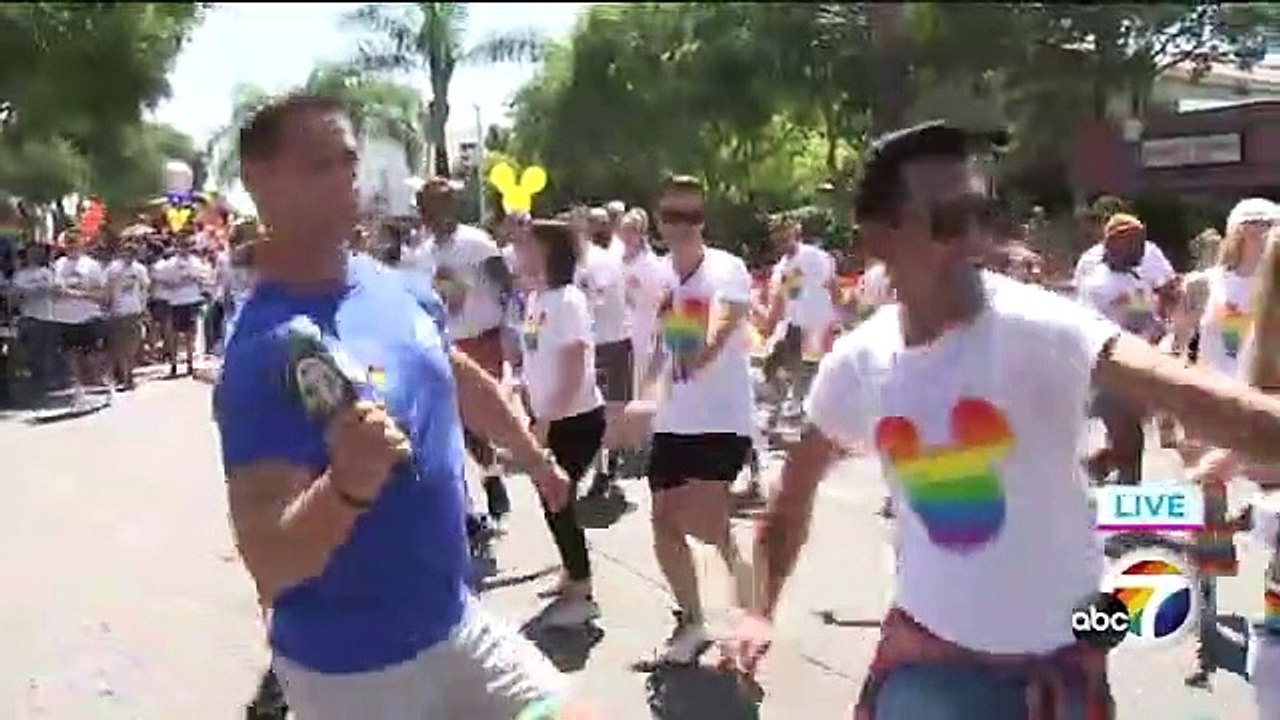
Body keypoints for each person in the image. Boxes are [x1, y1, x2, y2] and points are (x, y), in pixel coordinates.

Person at [724, 121, 1280, 719]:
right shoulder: (857, 365)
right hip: (927, 655)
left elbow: (1214, 406)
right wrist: (760, 610)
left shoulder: (1047, 329)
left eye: (981, 216)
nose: (973, 241)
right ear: (879, 237)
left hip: (1060, 660)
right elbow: (791, 498)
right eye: (946, 221)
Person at [213, 94, 576, 719]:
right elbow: (268, 561)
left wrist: (536, 460)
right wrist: (348, 485)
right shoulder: (262, 353)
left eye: (347, 163)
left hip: (459, 624)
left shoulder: (395, 287)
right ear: (257, 182)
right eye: (315, 165)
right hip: (356, 675)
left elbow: (453, 374)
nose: (342, 182)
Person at [641, 174, 754, 663]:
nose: (683, 226)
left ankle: (751, 613)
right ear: (659, 222)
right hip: (673, 421)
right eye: (673, 217)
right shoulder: (660, 274)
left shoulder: (726, 270)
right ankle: (692, 620)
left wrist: (700, 339)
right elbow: (660, 353)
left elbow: (714, 338)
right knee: (664, 520)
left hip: (720, 420)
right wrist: (642, 402)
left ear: (703, 221)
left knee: (710, 526)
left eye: (692, 216)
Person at [404, 177, 514, 525]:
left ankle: (494, 470)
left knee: (477, 415)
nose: (429, 215)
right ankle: (490, 475)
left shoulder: (477, 244)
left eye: (436, 206)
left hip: (483, 339)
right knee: (455, 420)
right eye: (424, 208)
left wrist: (515, 333)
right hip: (445, 344)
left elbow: (507, 288)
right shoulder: (422, 255)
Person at [522, 219, 607, 627]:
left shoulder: (567, 301)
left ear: (548, 252)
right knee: (553, 498)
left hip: (574, 419)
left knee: (558, 497)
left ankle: (583, 589)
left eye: (528, 246)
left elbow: (575, 368)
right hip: (548, 417)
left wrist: (546, 420)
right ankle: (572, 572)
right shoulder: (538, 298)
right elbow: (537, 355)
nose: (520, 252)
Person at [578, 207, 632, 496]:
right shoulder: (579, 260)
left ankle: (608, 463)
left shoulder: (601, 261)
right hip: (593, 343)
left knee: (611, 408)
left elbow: (596, 298)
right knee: (597, 408)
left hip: (611, 342)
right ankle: (602, 466)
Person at [51, 230, 110, 409]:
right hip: (64, 317)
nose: (71, 245)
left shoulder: (91, 265)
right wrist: (58, 294)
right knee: (71, 355)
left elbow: (102, 293)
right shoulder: (58, 265)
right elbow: (53, 290)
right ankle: (79, 393)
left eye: (74, 241)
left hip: (88, 315)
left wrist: (78, 294)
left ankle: (98, 387)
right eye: (68, 242)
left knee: (92, 355)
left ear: (81, 243)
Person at [152, 235, 210, 377]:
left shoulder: (196, 263)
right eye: (181, 246)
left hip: (191, 300)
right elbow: (159, 277)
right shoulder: (170, 264)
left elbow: (204, 277)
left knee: (190, 334)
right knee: (174, 335)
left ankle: (190, 363)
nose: (184, 249)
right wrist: (176, 280)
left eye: (186, 246)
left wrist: (195, 278)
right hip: (175, 301)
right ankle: (174, 364)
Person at [104, 241, 149, 390]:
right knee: (119, 346)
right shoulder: (112, 269)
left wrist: (144, 307)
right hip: (117, 311)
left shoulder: (140, 269)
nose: (129, 255)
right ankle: (124, 377)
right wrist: (107, 305)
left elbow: (145, 288)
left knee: (132, 347)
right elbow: (107, 288)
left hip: (134, 311)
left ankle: (128, 374)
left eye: (132, 252)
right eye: (126, 251)